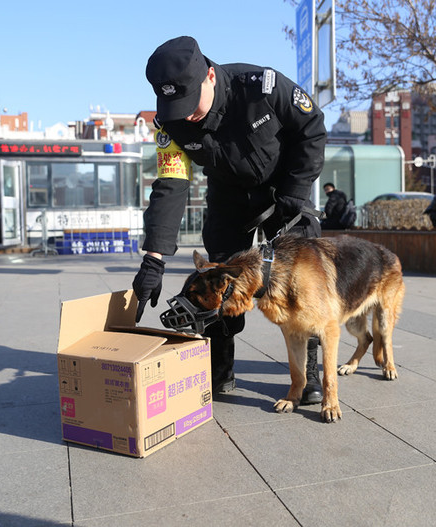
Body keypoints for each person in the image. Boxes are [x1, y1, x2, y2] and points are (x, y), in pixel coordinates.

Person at [132, 36, 327, 403]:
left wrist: (296, 189)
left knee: (303, 283)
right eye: (175, 106)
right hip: (229, 197)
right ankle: (220, 371)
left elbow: (312, 127)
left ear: (209, 76)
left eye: (190, 103)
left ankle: (310, 373)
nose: (186, 114)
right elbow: (171, 184)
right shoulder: (171, 123)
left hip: (285, 190)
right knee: (215, 281)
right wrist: (153, 259)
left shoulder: (261, 88)